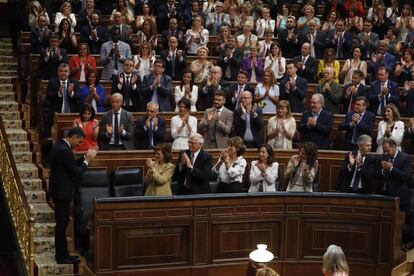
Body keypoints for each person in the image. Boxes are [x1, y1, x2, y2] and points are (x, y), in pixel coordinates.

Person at [49, 127, 97, 264]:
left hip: (59, 191)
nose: (79, 144)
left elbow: (69, 165)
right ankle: (61, 256)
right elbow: (76, 172)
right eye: (79, 141)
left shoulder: (61, 146)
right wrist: (87, 161)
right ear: (74, 137)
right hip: (62, 193)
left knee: (62, 225)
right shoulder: (65, 150)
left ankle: (63, 254)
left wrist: (83, 157)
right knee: (62, 225)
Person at [378, 138, 413, 250]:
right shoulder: (384, 157)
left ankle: (404, 245)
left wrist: (391, 169)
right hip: (386, 195)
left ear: (394, 147)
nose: (385, 153)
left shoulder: (405, 158)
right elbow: (379, 174)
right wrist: (383, 171)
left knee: (402, 224)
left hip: (401, 197)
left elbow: (406, 177)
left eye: (387, 151)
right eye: (384, 151)